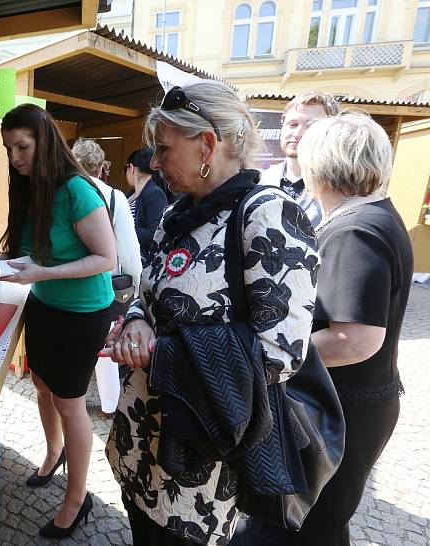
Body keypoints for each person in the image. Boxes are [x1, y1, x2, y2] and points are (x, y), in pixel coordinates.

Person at [103, 81, 319, 545]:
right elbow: (149, 291)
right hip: (142, 442)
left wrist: (163, 353)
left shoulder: (269, 215)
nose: (154, 164)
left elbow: (280, 352)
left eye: (163, 150)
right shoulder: (178, 214)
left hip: (197, 467)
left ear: (206, 144)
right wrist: (138, 319)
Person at [235, 113, 413, 546]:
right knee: (321, 524)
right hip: (356, 404)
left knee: (297, 526)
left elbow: (356, 339)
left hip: (341, 408)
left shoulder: (355, 229)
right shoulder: (374, 215)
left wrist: (267, 355)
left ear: (320, 165)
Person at [0, 104, 116, 538]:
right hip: (43, 304)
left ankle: (78, 498)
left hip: (82, 312)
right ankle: (53, 453)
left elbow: (106, 258)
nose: (15, 157)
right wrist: (4, 263)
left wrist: (40, 272)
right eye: (9, 149)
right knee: (41, 385)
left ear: (45, 142)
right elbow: (32, 251)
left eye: (22, 146)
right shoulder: (30, 187)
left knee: (69, 401)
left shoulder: (77, 189)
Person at [71, 137, 142, 417]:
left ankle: (71, 398)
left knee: (75, 343)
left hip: (71, 283)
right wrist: (135, 285)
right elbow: (128, 248)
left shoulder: (66, 194)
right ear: (101, 167)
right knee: (104, 346)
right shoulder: (114, 197)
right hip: (106, 284)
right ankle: (109, 405)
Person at [259, 91, 340, 226]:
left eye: (310, 125)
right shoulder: (260, 180)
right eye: (293, 124)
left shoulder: (339, 189)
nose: (297, 134)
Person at [125, 147, 168, 264]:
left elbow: (154, 234)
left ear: (131, 168)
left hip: (142, 262)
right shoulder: (131, 195)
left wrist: (122, 229)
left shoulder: (155, 194)